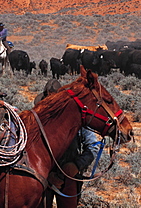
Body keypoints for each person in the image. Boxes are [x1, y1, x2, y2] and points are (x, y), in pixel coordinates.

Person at [34, 79, 99, 208]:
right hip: (43, 177)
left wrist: (76, 165)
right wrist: (47, 175)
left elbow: (93, 145)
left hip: (69, 176)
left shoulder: (76, 120)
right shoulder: (37, 122)